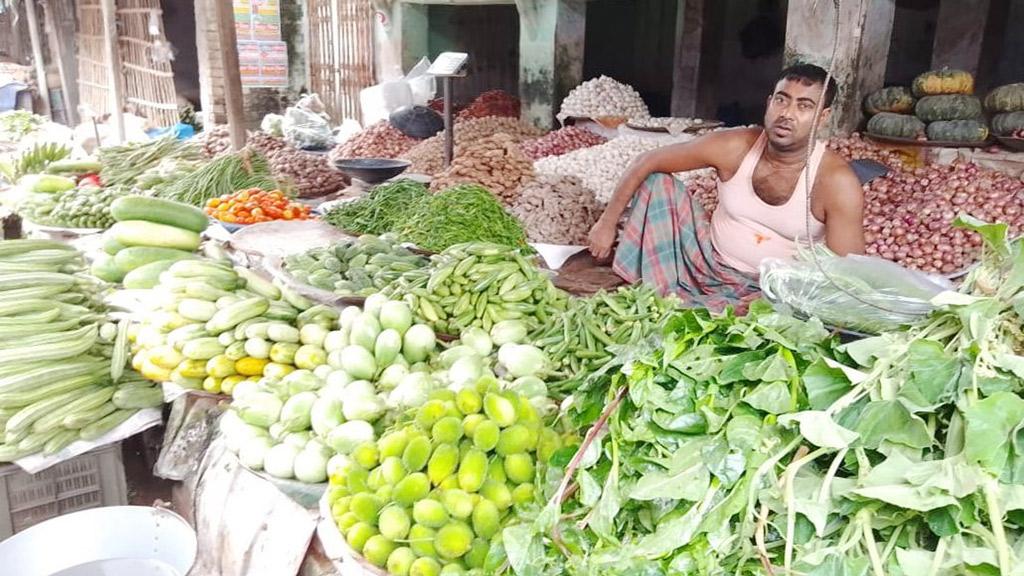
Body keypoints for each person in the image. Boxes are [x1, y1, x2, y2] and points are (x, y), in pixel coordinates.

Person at [588, 63, 864, 311]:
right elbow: (647, 160)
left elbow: (847, 274)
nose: (787, 114)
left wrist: (790, 297)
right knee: (657, 182)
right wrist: (607, 223)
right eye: (782, 100)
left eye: (804, 106)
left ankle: (699, 303)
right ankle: (665, 288)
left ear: (823, 117)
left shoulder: (835, 181)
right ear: (769, 103)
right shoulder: (734, 146)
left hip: (774, 289)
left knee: (760, 318)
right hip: (704, 261)